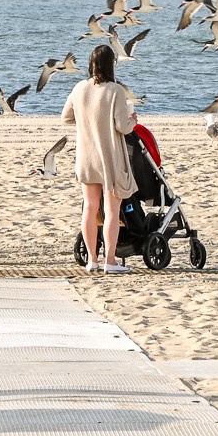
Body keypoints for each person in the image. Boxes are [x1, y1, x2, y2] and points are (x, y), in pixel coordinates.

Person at [61, 44, 137, 274]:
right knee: (112, 210)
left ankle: (92, 259)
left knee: (90, 208)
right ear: (110, 64)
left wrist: (87, 122)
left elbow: (66, 117)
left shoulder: (79, 88)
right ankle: (110, 260)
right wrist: (133, 119)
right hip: (109, 156)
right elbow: (122, 126)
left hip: (86, 156)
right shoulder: (115, 90)